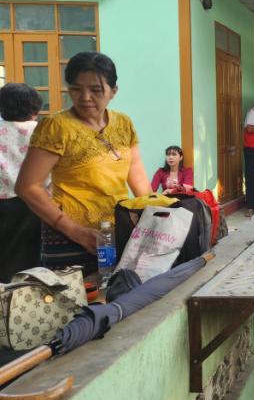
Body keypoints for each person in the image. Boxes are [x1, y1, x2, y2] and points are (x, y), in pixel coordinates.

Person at [15, 52, 150, 272]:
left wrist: (151, 221)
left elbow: (139, 180)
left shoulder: (123, 124)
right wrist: (76, 232)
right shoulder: (57, 127)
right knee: (75, 293)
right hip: (69, 238)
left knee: (118, 290)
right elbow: (27, 187)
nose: (85, 97)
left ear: (113, 91)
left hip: (116, 233)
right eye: (76, 89)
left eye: (96, 90)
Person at [0, 83, 43, 279]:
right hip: (34, 202)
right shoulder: (41, 130)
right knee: (29, 257)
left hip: (2, 201)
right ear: (35, 109)